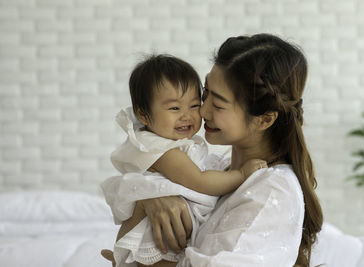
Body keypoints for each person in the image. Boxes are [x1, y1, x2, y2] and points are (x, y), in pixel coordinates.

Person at [103, 33, 323, 267]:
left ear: (264, 120)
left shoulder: (271, 191)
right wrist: (150, 198)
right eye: (204, 94)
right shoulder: (214, 167)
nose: (202, 112)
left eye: (217, 104)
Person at [101, 55, 266, 267]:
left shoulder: (177, 144)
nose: (187, 116)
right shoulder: (159, 149)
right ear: (143, 115)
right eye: (174, 108)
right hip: (159, 241)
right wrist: (241, 174)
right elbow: (200, 180)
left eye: (194, 105)